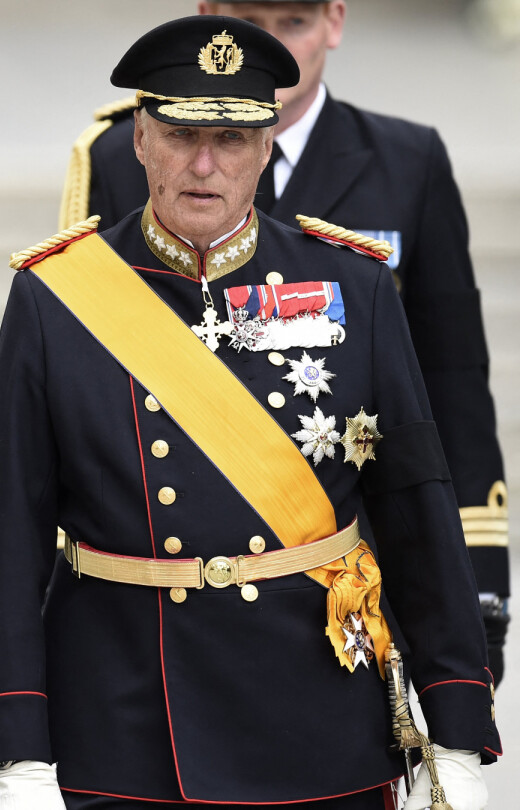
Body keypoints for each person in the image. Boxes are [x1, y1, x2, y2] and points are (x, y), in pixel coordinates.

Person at [0, 16, 499, 810]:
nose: (204, 165)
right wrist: (17, 753)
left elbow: (414, 508)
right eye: (180, 135)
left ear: (268, 147)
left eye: (233, 140)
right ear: (139, 140)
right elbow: (7, 536)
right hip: (123, 728)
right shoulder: (57, 296)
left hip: (316, 720)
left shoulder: (354, 287)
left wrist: (454, 730)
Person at [58, 0, 510, 682]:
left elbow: (452, 382)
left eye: (291, 23)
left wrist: (474, 579)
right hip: (172, 576)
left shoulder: (407, 161)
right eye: (247, 21)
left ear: (334, 19)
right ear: (208, 15)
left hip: (344, 575)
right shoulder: (121, 151)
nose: (264, 47)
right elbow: (83, 363)